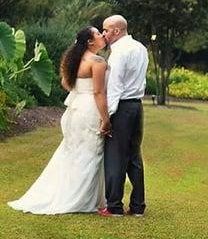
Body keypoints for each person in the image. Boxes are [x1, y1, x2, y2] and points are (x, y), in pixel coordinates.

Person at [8, 26, 111, 214]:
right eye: (97, 33)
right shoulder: (97, 61)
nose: (102, 35)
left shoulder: (74, 59)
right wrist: (105, 119)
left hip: (74, 108)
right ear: (90, 41)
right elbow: (98, 92)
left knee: (73, 152)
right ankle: (81, 199)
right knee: (91, 152)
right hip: (89, 109)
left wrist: (80, 89)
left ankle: (69, 192)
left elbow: (66, 83)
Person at [98, 15, 148, 217]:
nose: (104, 34)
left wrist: (107, 118)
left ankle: (114, 206)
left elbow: (115, 87)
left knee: (115, 158)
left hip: (122, 108)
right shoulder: (141, 48)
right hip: (137, 107)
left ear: (117, 31)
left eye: (106, 30)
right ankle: (138, 207)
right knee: (134, 157)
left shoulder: (118, 52)